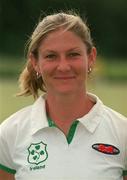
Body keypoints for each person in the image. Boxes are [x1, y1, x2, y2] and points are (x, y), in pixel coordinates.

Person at [0, 11, 127, 180]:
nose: (63, 66)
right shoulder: (9, 134)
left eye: (73, 54)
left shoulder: (122, 133)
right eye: (51, 56)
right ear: (35, 62)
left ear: (91, 57)